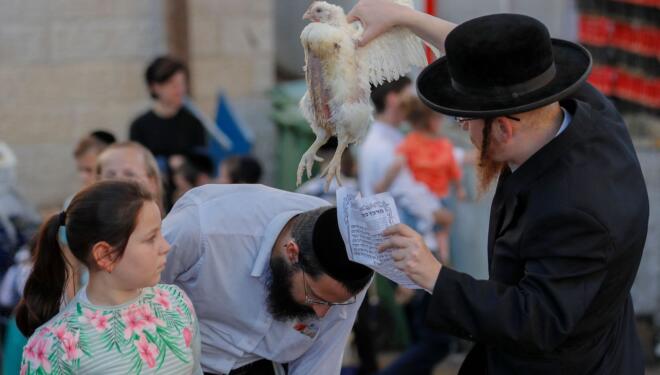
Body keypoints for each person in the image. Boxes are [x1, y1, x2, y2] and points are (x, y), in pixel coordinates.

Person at [348, 2, 649, 373]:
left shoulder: (578, 207)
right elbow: (491, 56)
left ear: (504, 128)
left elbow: (536, 319)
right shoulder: (584, 110)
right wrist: (405, 18)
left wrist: (434, 276)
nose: (462, 128)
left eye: (465, 119)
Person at [161, 184, 374, 375]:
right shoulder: (202, 229)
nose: (322, 313)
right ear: (292, 253)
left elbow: (320, 361)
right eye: (316, 297)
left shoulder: (350, 272)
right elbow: (134, 297)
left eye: (334, 303)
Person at [16, 180, 201, 374]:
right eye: (150, 238)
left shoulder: (175, 303)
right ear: (105, 255)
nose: (166, 246)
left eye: (161, 233)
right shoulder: (54, 346)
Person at [129, 56, 207, 208]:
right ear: (155, 87)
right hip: (152, 199)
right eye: (173, 84)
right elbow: (135, 165)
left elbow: (203, 163)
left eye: (182, 84)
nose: (180, 90)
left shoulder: (194, 122)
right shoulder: (140, 125)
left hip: (187, 198)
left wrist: (185, 166)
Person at [397, 96, 466, 262]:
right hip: (421, 201)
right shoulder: (413, 142)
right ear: (430, 120)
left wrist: (459, 188)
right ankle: (440, 259)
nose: (441, 121)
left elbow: (452, 169)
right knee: (427, 236)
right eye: (439, 118)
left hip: (439, 197)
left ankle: (442, 259)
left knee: (440, 234)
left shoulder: (440, 144)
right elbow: (452, 168)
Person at [96, 141, 164, 213]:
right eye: (110, 176)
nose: (118, 182)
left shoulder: (170, 223)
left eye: (129, 175)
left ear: (152, 182)